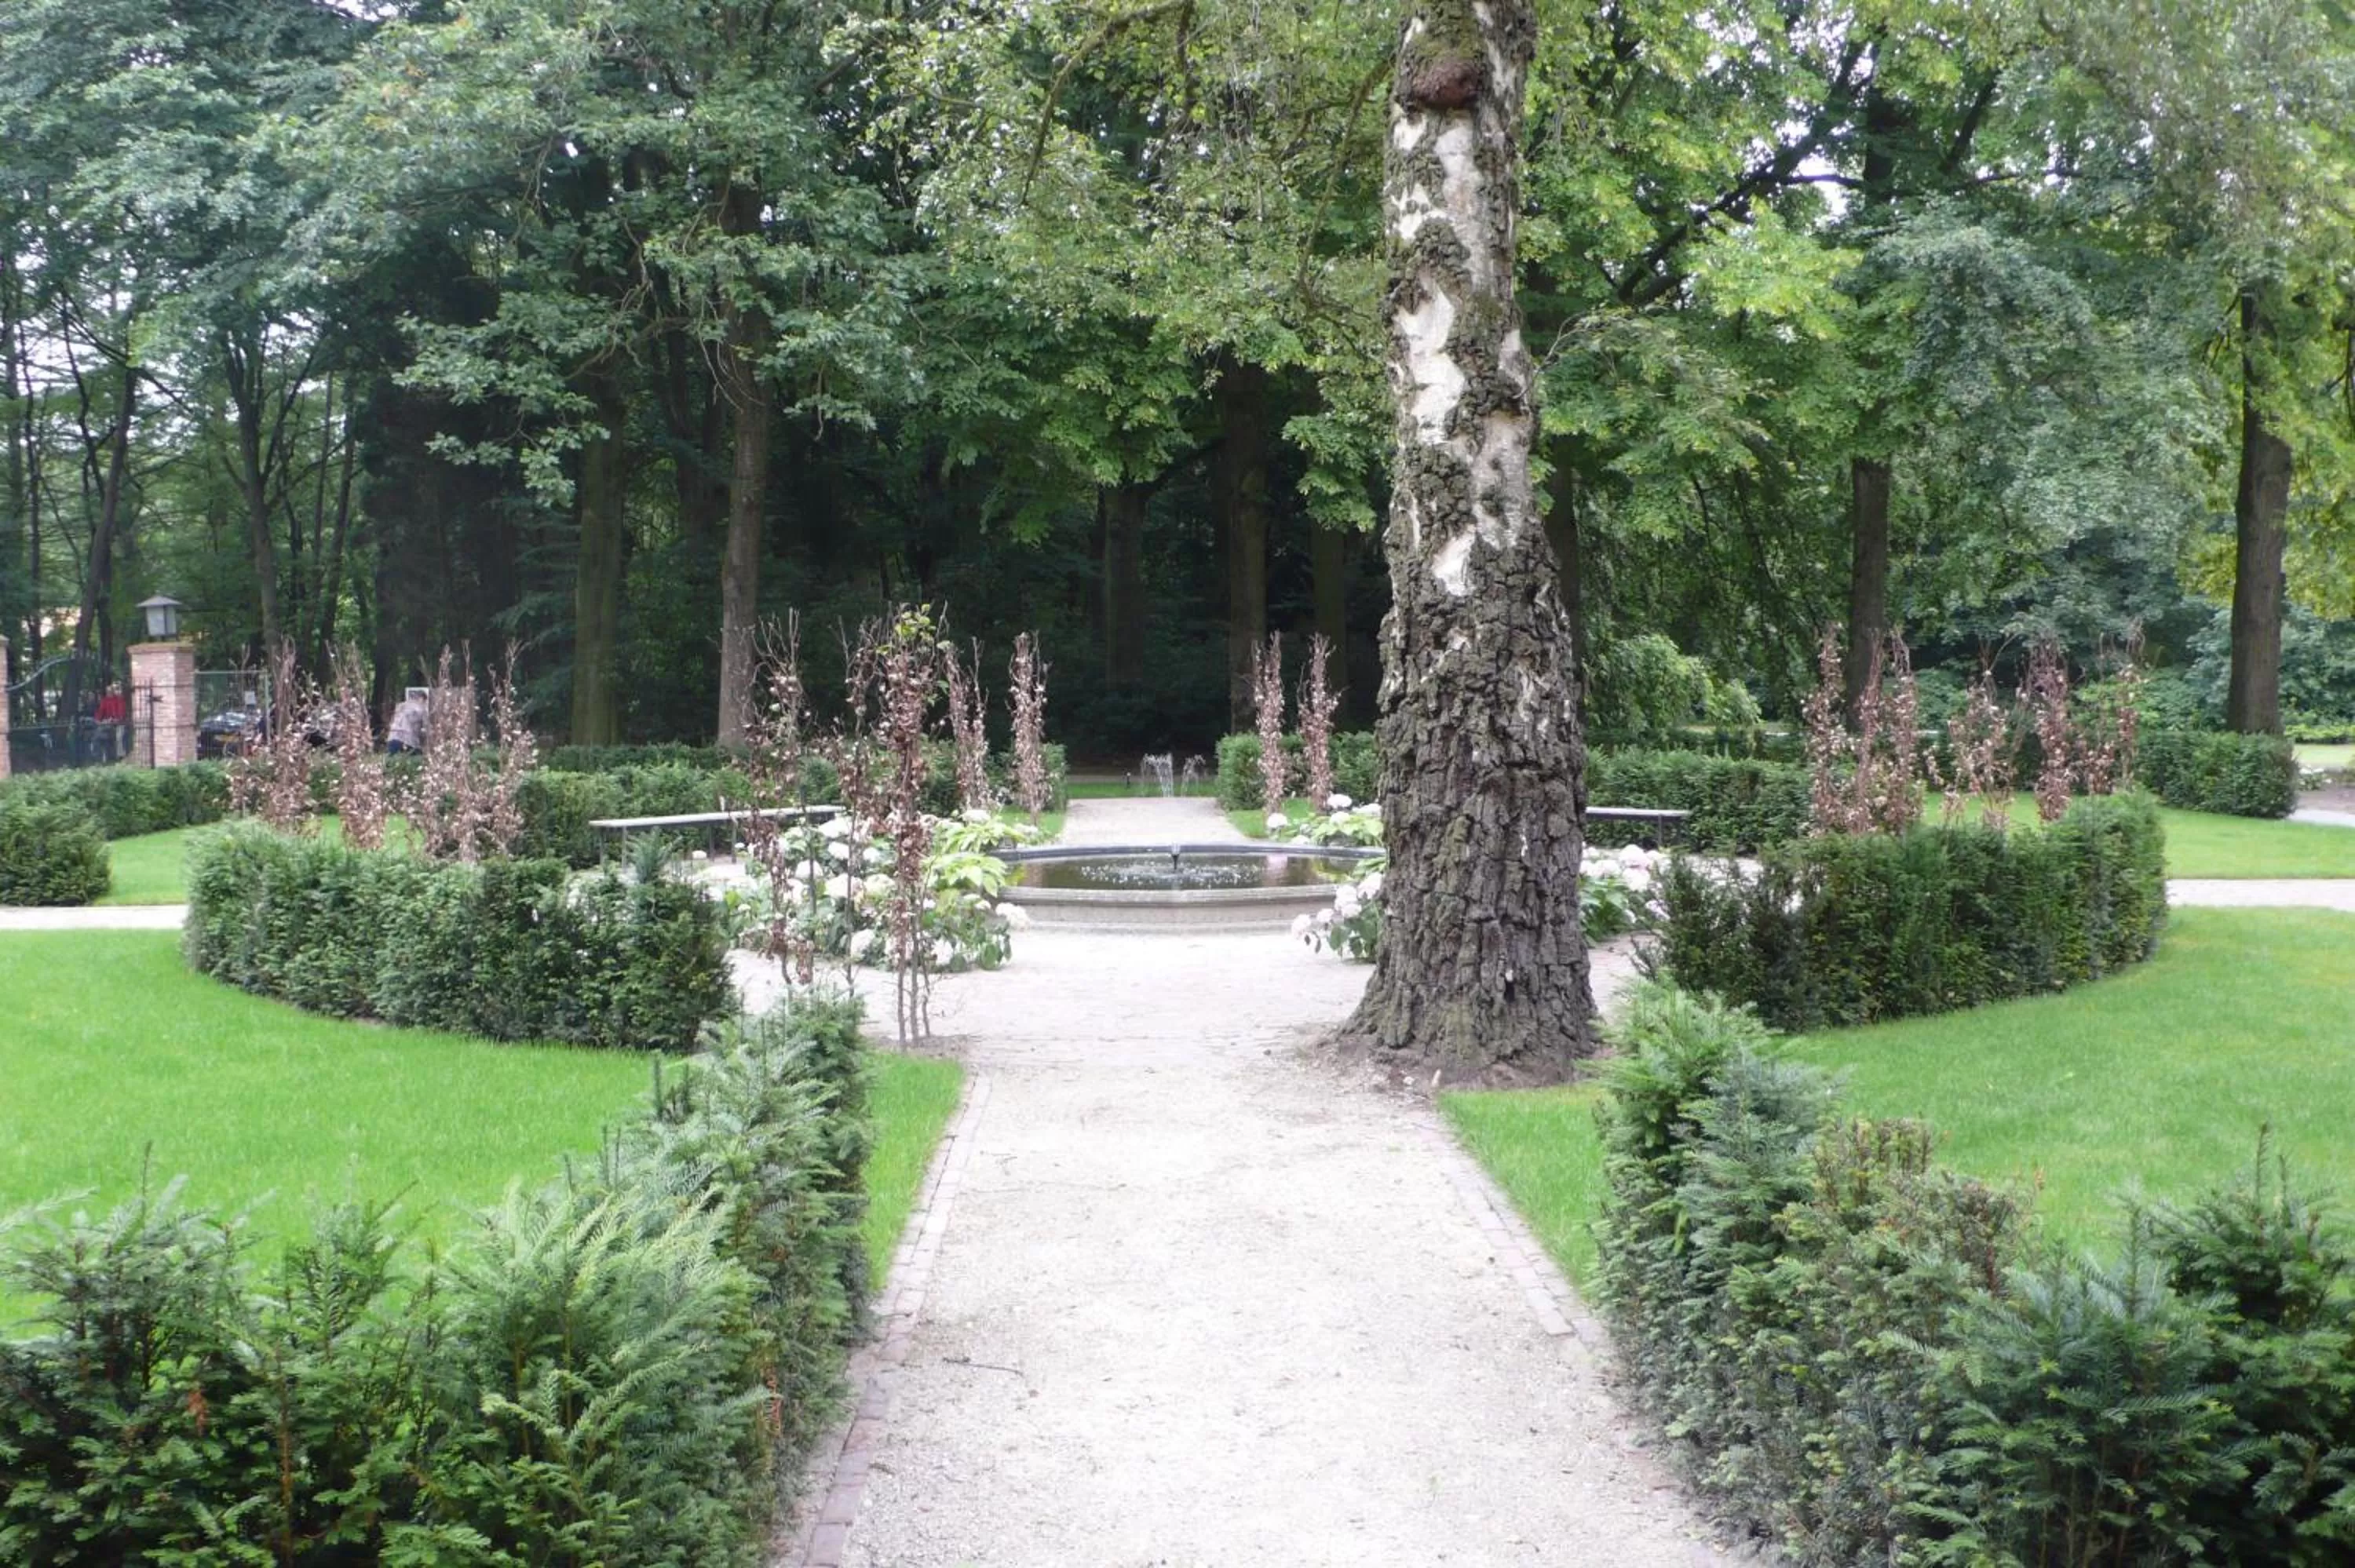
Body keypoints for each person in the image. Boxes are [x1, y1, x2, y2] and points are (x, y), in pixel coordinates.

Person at [387, 687, 429, 755]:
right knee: (418, 758)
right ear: (421, 699)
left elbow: (392, 722)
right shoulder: (421, 709)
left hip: (392, 738)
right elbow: (427, 728)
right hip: (409, 741)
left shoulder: (400, 706)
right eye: (425, 701)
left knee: (392, 759)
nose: (425, 703)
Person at [93, 684, 128, 761]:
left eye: (111, 691)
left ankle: (120, 755)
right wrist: (98, 720)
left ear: (113, 692)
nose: (109, 693)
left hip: (119, 723)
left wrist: (118, 719)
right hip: (108, 723)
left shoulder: (119, 700)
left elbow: (122, 712)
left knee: (119, 737)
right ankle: (97, 755)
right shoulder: (105, 700)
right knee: (98, 735)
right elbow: (101, 711)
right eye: (108, 692)